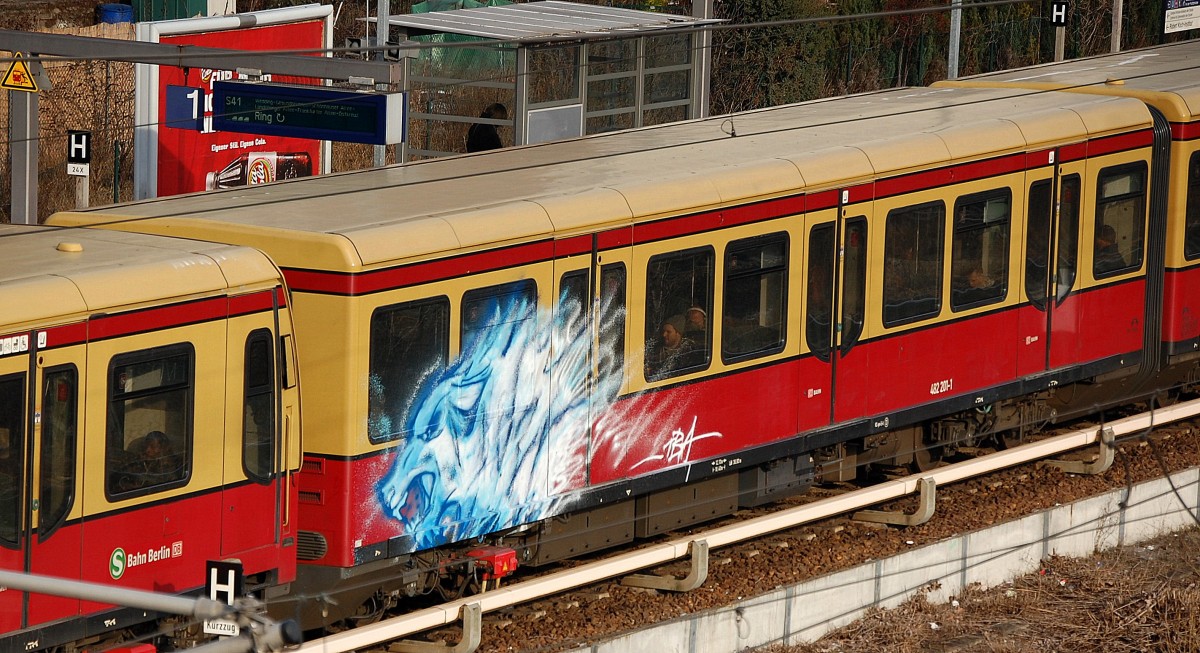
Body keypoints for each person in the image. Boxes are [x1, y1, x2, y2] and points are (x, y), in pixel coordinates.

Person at [645, 315, 698, 379]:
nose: (664, 335)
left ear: (678, 333)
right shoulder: (655, 351)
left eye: (668, 332)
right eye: (663, 331)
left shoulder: (689, 350)